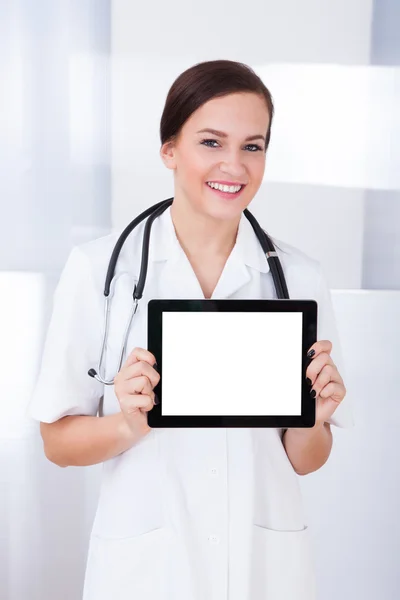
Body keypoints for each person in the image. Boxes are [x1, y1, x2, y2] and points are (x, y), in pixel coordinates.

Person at [28, 59, 354, 600]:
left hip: (263, 569)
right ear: (169, 149)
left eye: (253, 146)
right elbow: (57, 443)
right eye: (211, 141)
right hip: (146, 569)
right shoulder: (100, 271)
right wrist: (130, 425)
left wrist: (312, 420)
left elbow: (306, 459)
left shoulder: (298, 278)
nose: (234, 164)